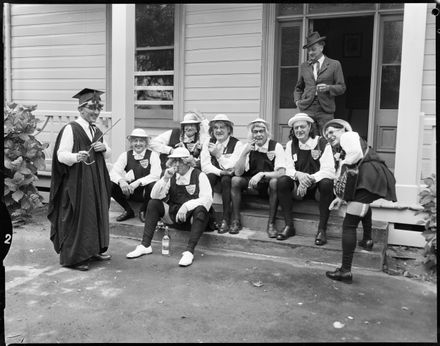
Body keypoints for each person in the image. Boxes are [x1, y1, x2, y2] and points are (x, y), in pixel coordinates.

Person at [322, 119, 397, 283]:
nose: (329, 135)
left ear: (342, 129)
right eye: (326, 134)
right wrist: (340, 198)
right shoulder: (344, 146)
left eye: (332, 131)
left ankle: (345, 271)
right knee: (362, 205)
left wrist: (343, 166)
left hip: (368, 177)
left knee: (349, 225)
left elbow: (354, 155)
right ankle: (368, 239)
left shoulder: (348, 136)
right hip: (367, 179)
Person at [48, 88, 112, 271]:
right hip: (77, 182)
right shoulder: (71, 129)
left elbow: (109, 154)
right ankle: (75, 258)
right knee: (79, 215)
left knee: (95, 214)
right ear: (81, 109)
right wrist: (76, 157)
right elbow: (61, 155)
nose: (96, 112)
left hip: (95, 180)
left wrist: (103, 148)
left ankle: (94, 250)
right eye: (92, 107)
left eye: (98, 108)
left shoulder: (96, 130)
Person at [126, 147, 213, 267]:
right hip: (175, 216)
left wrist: (186, 206)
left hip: (194, 219)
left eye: (181, 161)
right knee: (153, 204)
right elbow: (154, 196)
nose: (177, 164)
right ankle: (145, 245)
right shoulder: (171, 176)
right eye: (174, 161)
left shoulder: (199, 175)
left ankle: (189, 251)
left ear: (188, 162)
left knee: (201, 210)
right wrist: (165, 178)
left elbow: (207, 199)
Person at [276, 113, 335, 243]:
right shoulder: (292, 144)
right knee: (282, 181)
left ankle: (321, 230)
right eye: (296, 128)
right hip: (299, 190)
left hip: (317, 189)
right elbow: (289, 168)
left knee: (327, 182)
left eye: (302, 127)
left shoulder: (322, 143)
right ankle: (289, 226)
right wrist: (299, 175)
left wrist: (309, 178)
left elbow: (329, 170)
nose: (299, 130)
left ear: (309, 127)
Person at [230, 118, 286, 236]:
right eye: (255, 132)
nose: (258, 134)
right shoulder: (248, 147)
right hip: (252, 184)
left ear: (267, 133)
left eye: (261, 131)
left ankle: (271, 224)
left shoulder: (276, 146)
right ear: (252, 134)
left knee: (275, 182)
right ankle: (236, 221)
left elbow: (281, 172)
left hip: (268, 184)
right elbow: (238, 173)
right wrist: (244, 153)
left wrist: (262, 174)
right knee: (235, 180)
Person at [294, 31, 346, 135]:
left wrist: (328, 88)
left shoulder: (334, 64)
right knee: (307, 138)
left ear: (321, 48)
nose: (310, 53)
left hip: (325, 109)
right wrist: (297, 101)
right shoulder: (304, 66)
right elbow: (298, 88)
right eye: (309, 50)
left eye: (313, 49)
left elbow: (342, 87)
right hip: (307, 107)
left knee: (326, 139)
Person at [200, 114, 243, 234]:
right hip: (215, 176)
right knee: (208, 177)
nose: (218, 130)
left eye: (222, 127)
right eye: (215, 128)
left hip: (229, 180)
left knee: (226, 179)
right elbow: (205, 166)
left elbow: (231, 167)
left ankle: (226, 219)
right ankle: (207, 217)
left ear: (229, 129)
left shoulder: (237, 144)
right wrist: (220, 171)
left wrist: (218, 155)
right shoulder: (208, 142)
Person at [109, 128, 161, 223]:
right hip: (129, 192)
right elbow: (113, 172)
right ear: (131, 143)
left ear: (146, 143)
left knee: (153, 184)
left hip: (147, 193)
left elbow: (156, 175)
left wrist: (138, 182)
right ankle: (128, 210)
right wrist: (121, 181)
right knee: (110, 184)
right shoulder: (125, 155)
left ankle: (144, 210)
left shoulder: (153, 155)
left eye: (141, 141)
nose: (138, 144)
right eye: (135, 141)